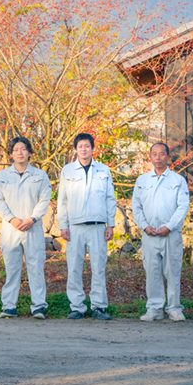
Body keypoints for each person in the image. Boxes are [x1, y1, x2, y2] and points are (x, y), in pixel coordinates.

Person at [57, 133, 116, 321]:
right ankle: (77, 307)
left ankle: (99, 307)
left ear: (92, 148)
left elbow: (110, 198)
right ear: (75, 149)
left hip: (98, 226)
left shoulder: (103, 170)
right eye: (80, 146)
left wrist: (110, 224)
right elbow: (62, 200)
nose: (84, 149)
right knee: (74, 268)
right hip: (75, 226)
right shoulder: (68, 171)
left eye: (87, 146)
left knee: (98, 268)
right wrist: (63, 225)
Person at [0, 136, 51, 320]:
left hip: (33, 227)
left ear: (29, 152)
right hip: (11, 229)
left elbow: (44, 199)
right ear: (11, 153)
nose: (20, 152)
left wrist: (32, 219)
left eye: (23, 149)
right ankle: (9, 306)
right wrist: (12, 219)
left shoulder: (40, 175)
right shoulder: (2, 176)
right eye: (16, 149)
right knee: (12, 269)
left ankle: (38, 306)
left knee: (36, 268)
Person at [132, 142, 189, 322]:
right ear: (150, 157)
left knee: (172, 272)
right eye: (154, 154)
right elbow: (136, 207)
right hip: (149, 234)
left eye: (162, 154)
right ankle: (154, 309)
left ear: (168, 157)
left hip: (170, 234)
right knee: (152, 272)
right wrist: (144, 226)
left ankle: (174, 309)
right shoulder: (142, 181)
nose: (158, 157)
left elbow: (182, 207)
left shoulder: (178, 180)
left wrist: (169, 227)